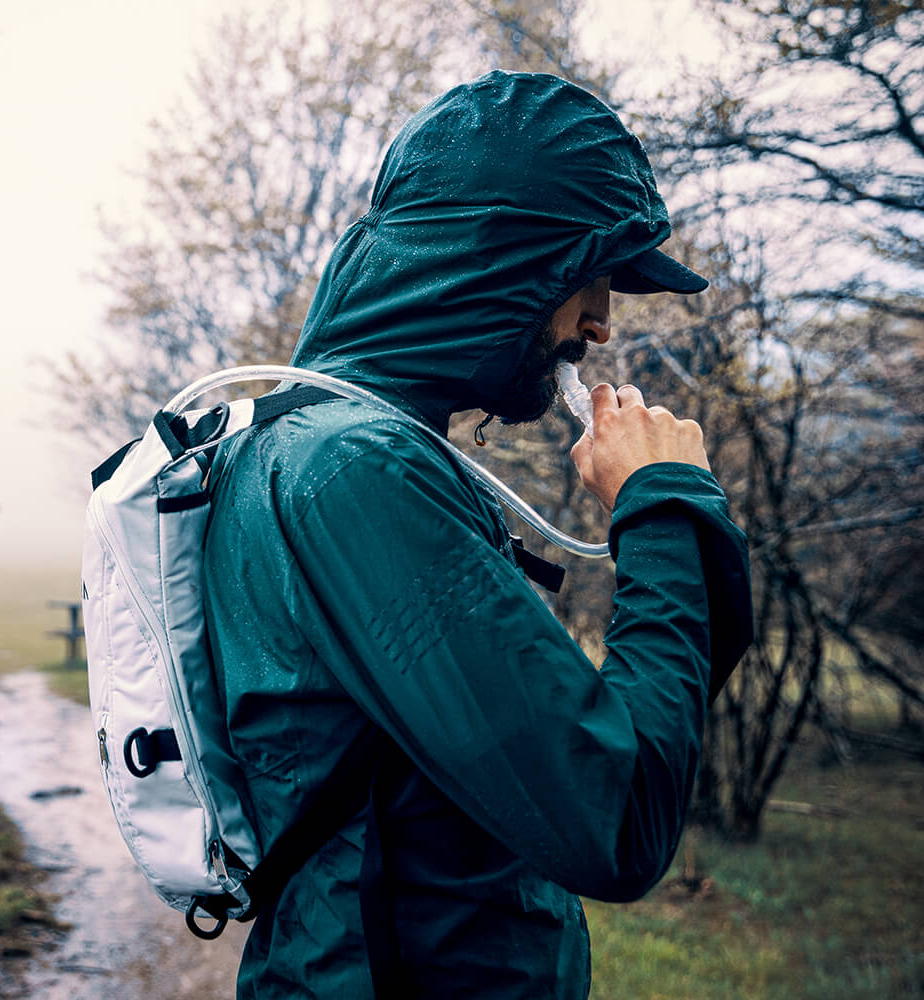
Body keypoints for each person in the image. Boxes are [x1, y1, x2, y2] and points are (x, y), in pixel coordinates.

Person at [202, 70, 752, 999]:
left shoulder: (322, 441)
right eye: (593, 276)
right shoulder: (358, 471)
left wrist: (678, 523)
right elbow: (616, 821)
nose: (602, 323)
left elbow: (651, 716)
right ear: (502, 261)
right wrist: (662, 504)